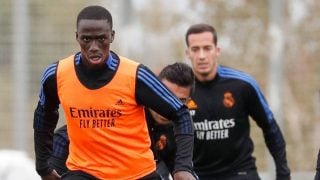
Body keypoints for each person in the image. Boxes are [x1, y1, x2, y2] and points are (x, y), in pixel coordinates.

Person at [33, 5, 196, 180]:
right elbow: (44, 117)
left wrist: (183, 168)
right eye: (86, 39)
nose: (94, 47)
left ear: (112, 36)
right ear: (77, 37)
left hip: (137, 175)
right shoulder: (56, 75)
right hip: (85, 173)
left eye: (101, 38)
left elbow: (181, 113)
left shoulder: (136, 75)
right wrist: (43, 167)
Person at [48, 62, 196, 180]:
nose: (169, 104)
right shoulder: (129, 110)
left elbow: (182, 170)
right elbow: (65, 136)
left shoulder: (180, 131)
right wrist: (54, 167)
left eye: (180, 100)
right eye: (166, 96)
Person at [184, 23, 291, 180]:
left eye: (207, 48)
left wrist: (283, 173)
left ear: (217, 50)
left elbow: (270, 128)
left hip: (241, 173)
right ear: (188, 53)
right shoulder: (180, 90)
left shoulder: (243, 84)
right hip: (198, 175)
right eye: (195, 49)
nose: (201, 56)